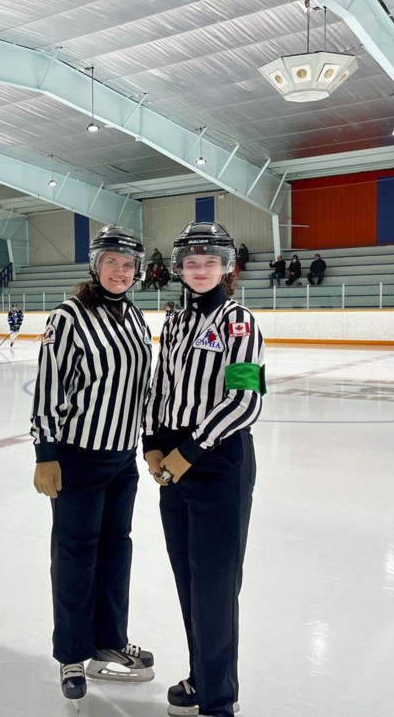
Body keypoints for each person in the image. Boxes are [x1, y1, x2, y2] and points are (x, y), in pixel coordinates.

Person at [143, 221, 266, 717]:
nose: (199, 270)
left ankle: (219, 700)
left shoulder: (239, 322)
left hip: (218, 463)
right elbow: (160, 387)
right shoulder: (174, 321)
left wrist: (188, 451)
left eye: (209, 262)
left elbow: (245, 400)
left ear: (226, 267)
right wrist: (152, 442)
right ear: (178, 268)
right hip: (174, 463)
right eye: (191, 263)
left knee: (215, 585)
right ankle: (201, 677)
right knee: (188, 578)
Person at [31, 225, 155, 709]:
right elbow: (49, 387)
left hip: (123, 459)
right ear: (94, 264)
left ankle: (109, 640)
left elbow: (142, 388)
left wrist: (147, 442)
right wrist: (45, 453)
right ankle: (72, 654)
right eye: (112, 262)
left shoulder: (135, 316)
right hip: (79, 458)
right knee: (75, 554)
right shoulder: (69, 317)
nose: (120, 272)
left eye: (128, 265)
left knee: (115, 552)